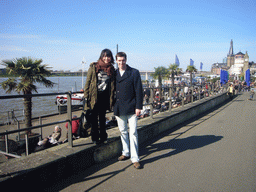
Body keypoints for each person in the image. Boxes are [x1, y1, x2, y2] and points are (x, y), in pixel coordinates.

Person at [114, 52, 143, 169]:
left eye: (123, 60)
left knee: (133, 133)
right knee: (123, 131)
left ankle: (135, 158)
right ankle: (125, 152)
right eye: (119, 61)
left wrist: (139, 107)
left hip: (131, 107)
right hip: (119, 107)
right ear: (116, 61)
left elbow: (139, 91)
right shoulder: (114, 74)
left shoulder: (134, 72)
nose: (121, 63)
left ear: (126, 60)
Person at [84, 49, 115, 144]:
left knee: (102, 118)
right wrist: (86, 96)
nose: (106, 58)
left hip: (105, 96)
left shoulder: (112, 69)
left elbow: (113, 84)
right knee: (94, 118)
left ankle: (103, 137)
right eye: (104, 56)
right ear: (101, 56)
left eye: (108, 56)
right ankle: (95, 138)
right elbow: (88, 82)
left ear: (111, 57)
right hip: (94, 96)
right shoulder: (94, 67)